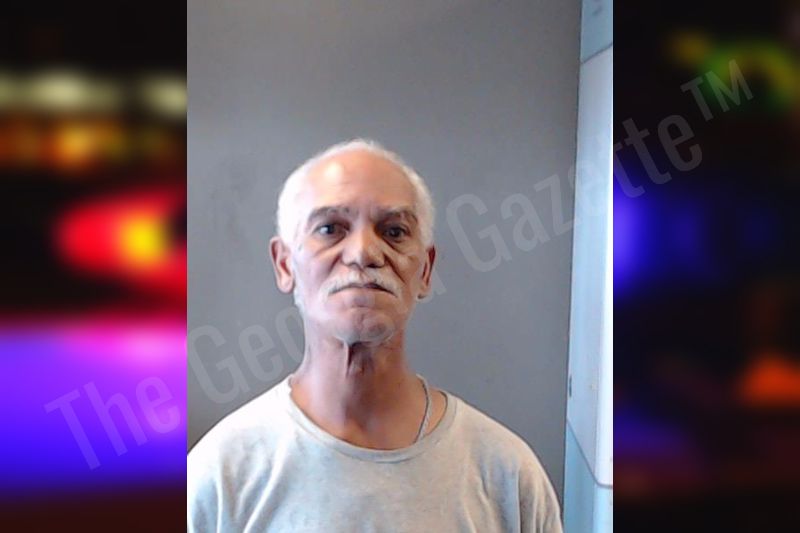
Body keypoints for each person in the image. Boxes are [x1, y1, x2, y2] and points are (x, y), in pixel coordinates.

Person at [187, 139, 563, 532]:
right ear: (285, 265)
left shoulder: (507, 476)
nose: (364, 252)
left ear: (425, 270)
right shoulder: (220, 476)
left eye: (394, 231)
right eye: (330, 229)